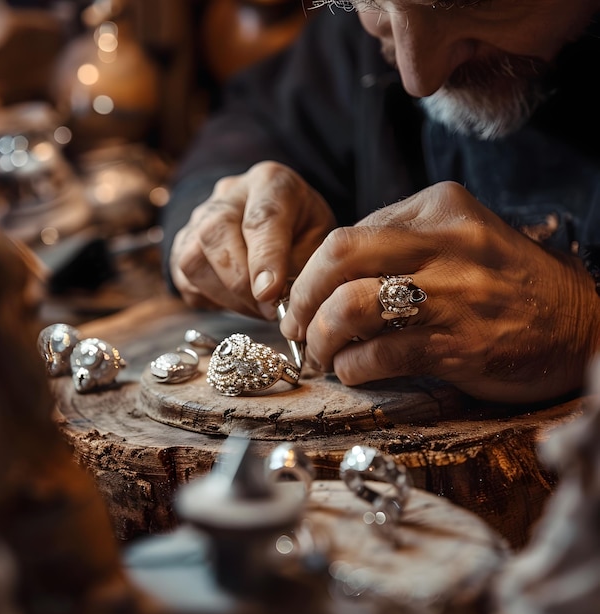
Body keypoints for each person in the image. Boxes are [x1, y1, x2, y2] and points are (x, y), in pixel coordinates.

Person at [161, 0, 600, 405]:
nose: (419, 79)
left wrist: (586, 321)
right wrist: (223, 215)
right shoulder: (367, 35)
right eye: (369, 4)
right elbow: (251, 126)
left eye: (474, 1)